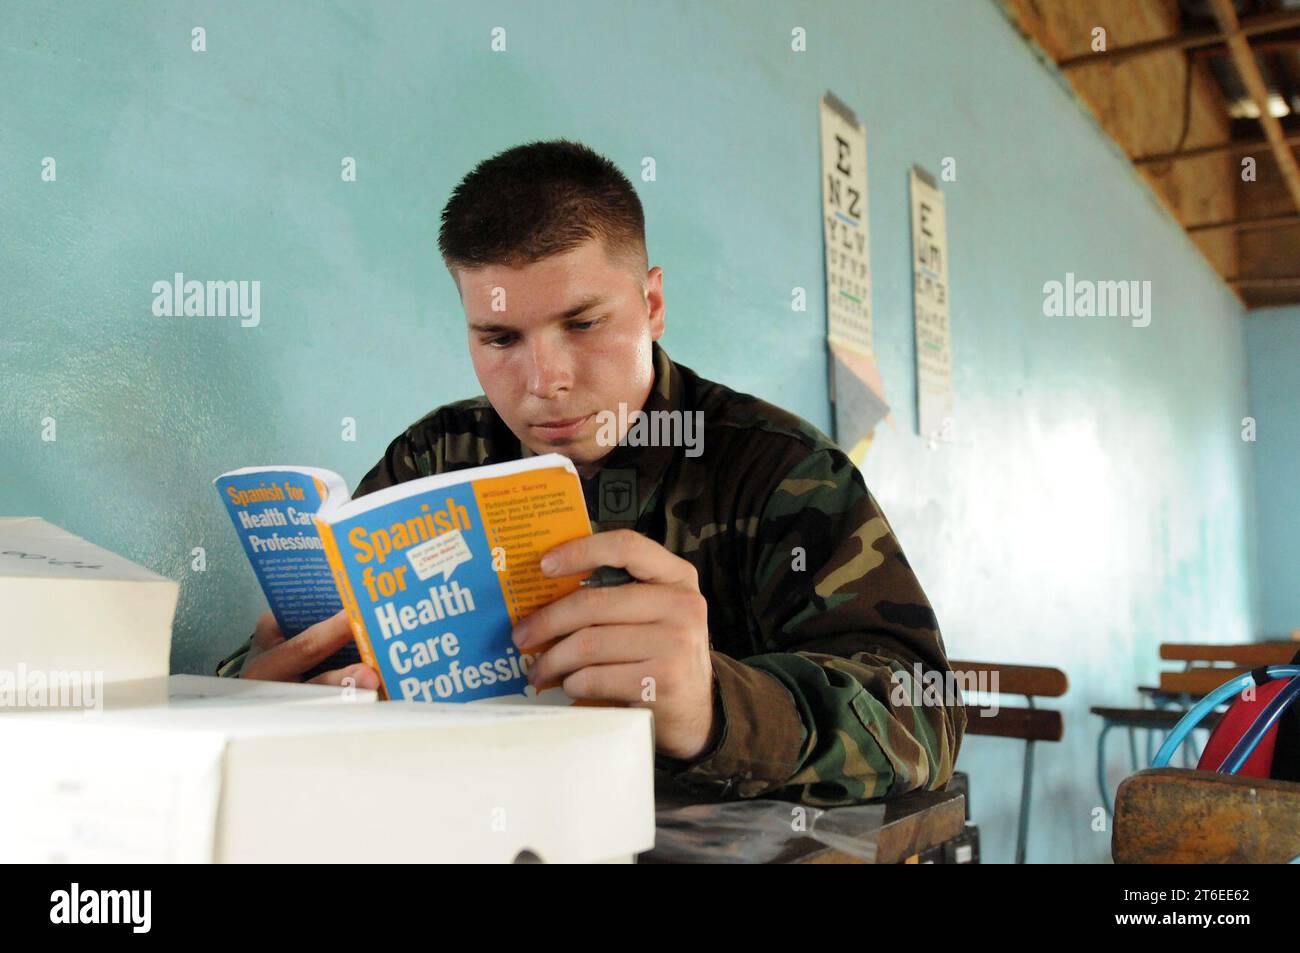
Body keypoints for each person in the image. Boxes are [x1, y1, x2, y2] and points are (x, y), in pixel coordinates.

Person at [217, 139, 966, 805]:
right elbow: (334, 667)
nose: (546, 380)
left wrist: (717, 707)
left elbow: (925, 712)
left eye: (582, 323)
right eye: (500, 337)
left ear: (653, 303)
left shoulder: (777, 469)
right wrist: (265, 690)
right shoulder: (435, 458)